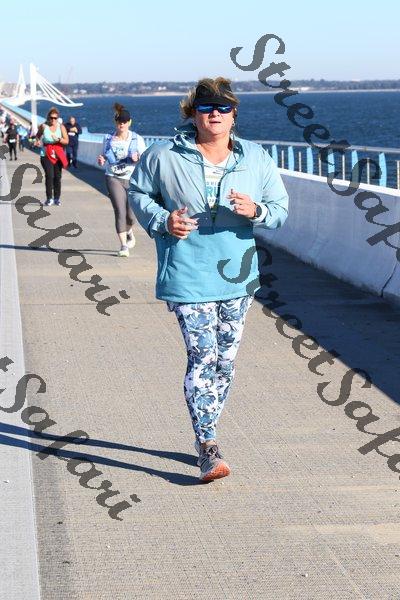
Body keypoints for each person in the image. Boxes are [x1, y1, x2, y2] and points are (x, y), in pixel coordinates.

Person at [129, 77, 289, 482]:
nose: (214, 113)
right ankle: (208, 444)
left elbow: (280, 208)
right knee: (202, 356)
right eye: (205, 107)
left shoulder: (255, 157)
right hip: (188, 272)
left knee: (225, 362)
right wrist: (163, 220)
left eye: (222, 107)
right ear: (192, 113)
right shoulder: (162, 155)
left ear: (234, 114)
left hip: (238, 275)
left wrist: (256, 211)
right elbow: (138, 193)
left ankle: (208, 428)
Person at [97, 103, 146, 257]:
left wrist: (138, 158)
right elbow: (104, 156)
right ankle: (123, 246)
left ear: (129, 122)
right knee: (120, 211)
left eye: (125, 121)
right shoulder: (108, 139)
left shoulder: (137, 139)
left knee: (130, 216)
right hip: (113, 178)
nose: (122, 124)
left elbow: (145, 160)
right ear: (115, 122)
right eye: (119, 121)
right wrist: (101, 159)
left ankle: (129, 230)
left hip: (131, 179)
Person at [35, 107, 69, 206]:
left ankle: (57, 198)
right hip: (46, 154)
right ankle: (49, 198)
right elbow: (37, 135)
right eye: (51, 118)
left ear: (57, 118)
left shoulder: (61, 127)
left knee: (57, 177)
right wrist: (37, 141)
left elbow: (66, 141)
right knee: (49, 176)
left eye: (55, 118)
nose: (53, 120)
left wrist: (59, 139)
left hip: (58, 154)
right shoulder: (43, 126)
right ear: (48, 117)